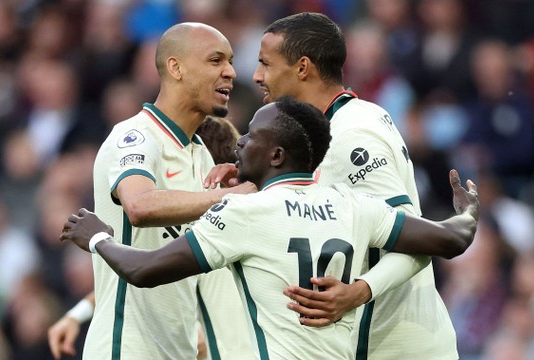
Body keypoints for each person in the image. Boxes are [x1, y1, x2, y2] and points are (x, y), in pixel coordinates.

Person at [60, 97, 480, 360]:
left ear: (277, 154)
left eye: (252, 136)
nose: (240, 142)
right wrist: (468, 211)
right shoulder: (355, 205)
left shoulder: (246, 215)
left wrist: (97, 236)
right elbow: (452, 239)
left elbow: (145, 270)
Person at [204, 12, 461, 359]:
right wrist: (254, 181)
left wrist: (359, 291)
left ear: (303, 68)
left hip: (399, 343)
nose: (256, 75)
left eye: (266, 63)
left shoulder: (353, 134)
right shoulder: (327, 130)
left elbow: (415, 240)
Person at [48, 22, 257, 360]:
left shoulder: (202, 156)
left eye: (231, 61)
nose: (231, 72)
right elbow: (139, 206)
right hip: (127, 347)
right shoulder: (135, 136)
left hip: (179, 350)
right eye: (215, 60)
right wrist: (230, 198)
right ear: (175, 67)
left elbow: (171, 259)